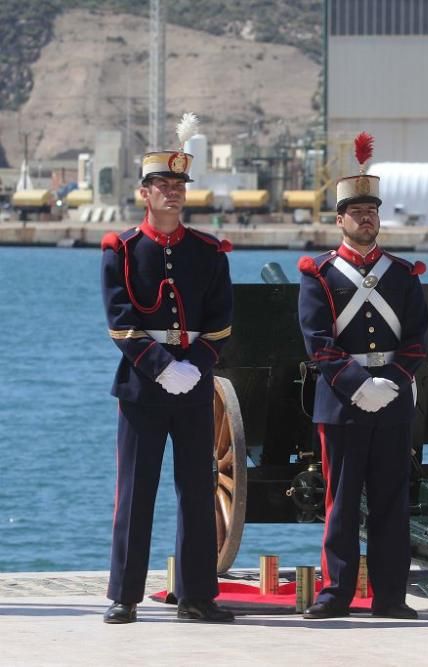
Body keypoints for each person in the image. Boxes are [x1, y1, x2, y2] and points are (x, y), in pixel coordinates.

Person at [100, 113, 234, 624]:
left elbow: (220, 322)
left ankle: (197, 595)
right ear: (144, 193)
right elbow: (120, 320)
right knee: (136, 493)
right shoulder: (123, 251)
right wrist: (160, 366)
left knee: (197, 491)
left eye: (179, 185)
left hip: (195, 386)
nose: (173, 193)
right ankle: (125, 596)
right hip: (142, 387)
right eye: (163, 184)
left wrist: (196, 365)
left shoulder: (208, 252)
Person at [297, 132, 428, 620]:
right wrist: (358, 385)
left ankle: (391, 596)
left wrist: (389, 381)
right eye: (356, 212)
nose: (366, 218)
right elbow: (319, 344)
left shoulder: (402, 275)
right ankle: (336, 594)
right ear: (340, 220)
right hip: (341, 403)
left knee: (393, 503)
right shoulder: (320, 275)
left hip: (393, 399)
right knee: (341, 503)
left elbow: (418, 340)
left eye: (372, 211)